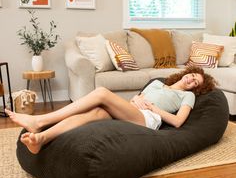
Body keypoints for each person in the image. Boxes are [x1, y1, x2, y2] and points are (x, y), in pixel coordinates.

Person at [6, 67, 216, 154]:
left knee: (102, 93)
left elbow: (178, 122)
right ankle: (42, 138)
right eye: (192, 75)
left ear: (195, 88)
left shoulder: (187, 96)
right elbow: (138, 97)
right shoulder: (158, 83)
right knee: (95, 112)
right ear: (187, 73)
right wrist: (136, 98)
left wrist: (152, 107)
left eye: (195, 82)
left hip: (148, 119)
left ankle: (40, 121)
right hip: (132, 110)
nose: (191, 80)